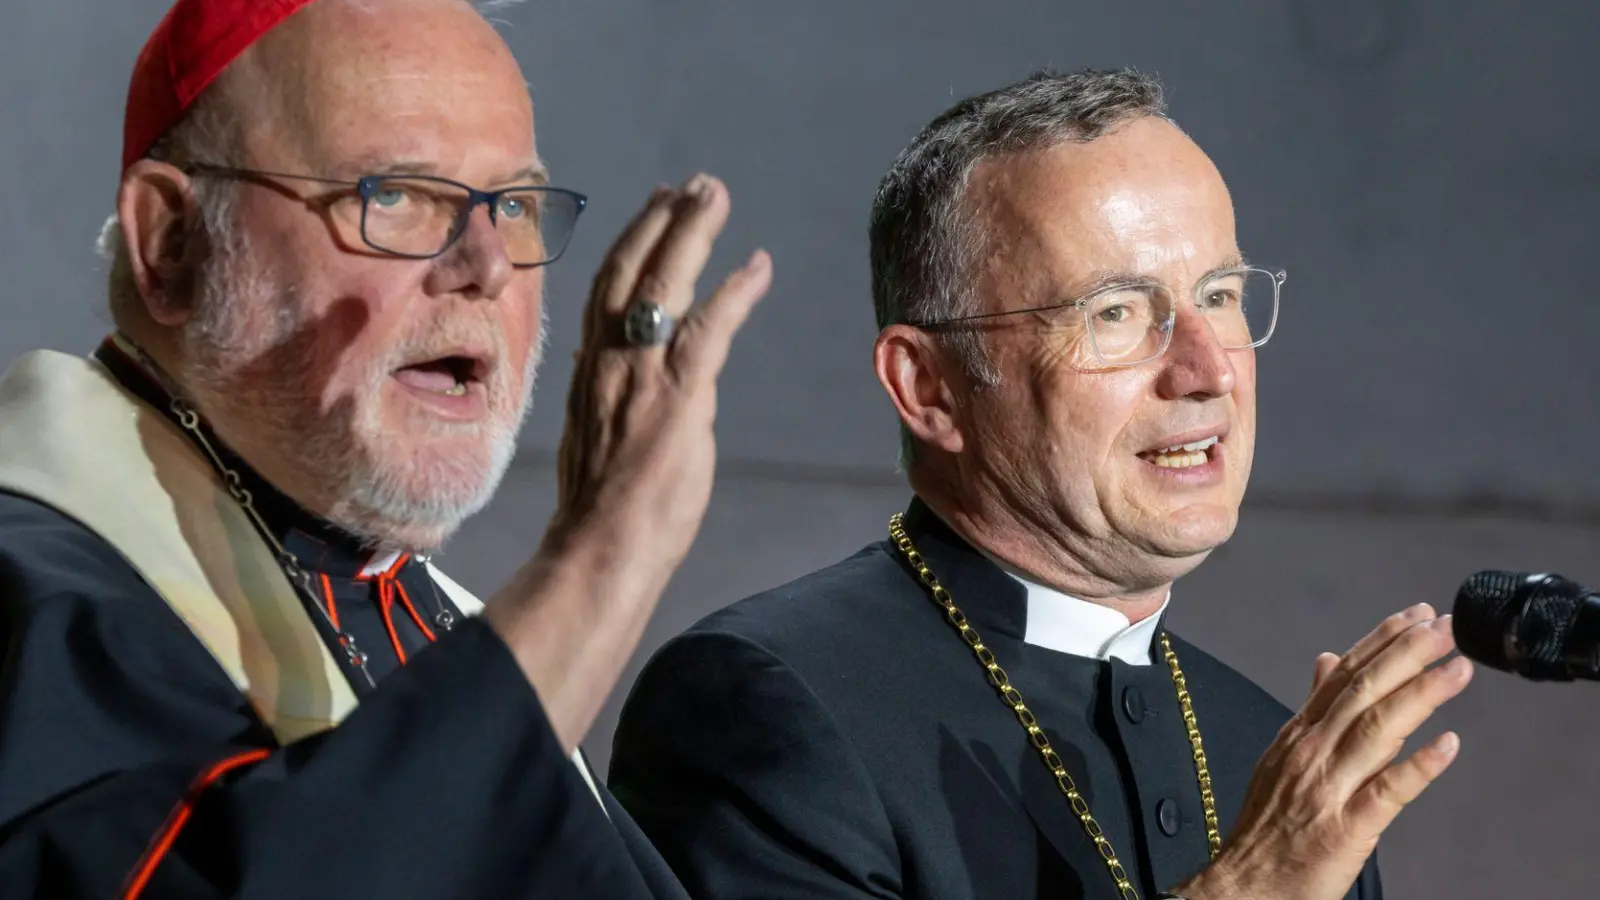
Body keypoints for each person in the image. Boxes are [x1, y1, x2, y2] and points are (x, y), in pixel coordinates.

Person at [609, 70, 1472, 900]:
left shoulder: (1274, 758)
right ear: (929, 388)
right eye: (1117, 313)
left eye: (1219, 294)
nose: (1207, 369)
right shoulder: (769, 707)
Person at [0, 0, 770, 897]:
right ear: (172, 244)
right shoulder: (35, 600)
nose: (484, 265)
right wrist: (604, 560)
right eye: (395, 194)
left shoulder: (431, 609)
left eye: (513, 204)